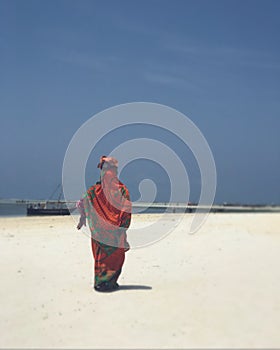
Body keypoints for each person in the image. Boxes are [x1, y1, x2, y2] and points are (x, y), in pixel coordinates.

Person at [77, 156, 131, 292]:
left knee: (101, 256)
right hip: (115, 233)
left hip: (99, 232)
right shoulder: (123, 190)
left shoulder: (92, 191)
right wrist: (123, 228)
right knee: (115, 257)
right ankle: (111, 282)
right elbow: (126, 211)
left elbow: (81, 204)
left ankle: (100, 283)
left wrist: (83, 217)